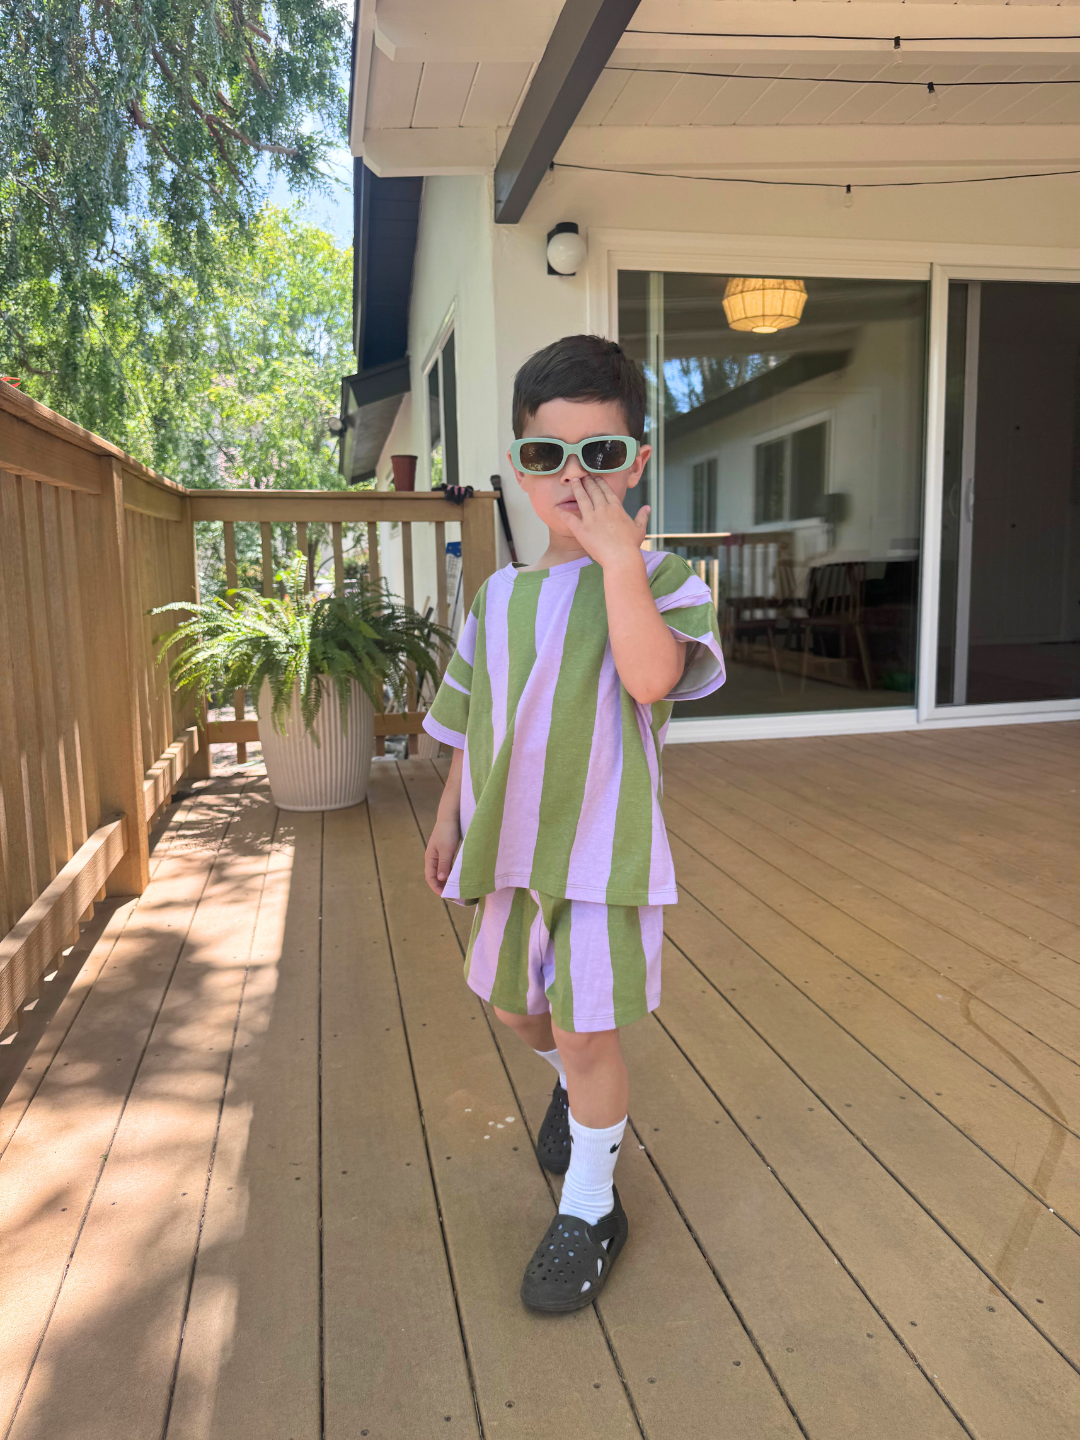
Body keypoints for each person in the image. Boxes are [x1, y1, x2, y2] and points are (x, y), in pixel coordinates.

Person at [422, 334, 725, 1313]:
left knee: (590, 1030)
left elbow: (650, 676)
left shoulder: (663, 580)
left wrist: (620, 563)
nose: (574, 479)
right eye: (548, 457)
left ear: (634, 461)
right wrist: (444, 817)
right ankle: (575, 1087)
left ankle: (592, 1203)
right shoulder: (498, 596)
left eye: (600, 456)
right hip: (509, 853)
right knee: (519, 1012)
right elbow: (471, 719)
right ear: (520, 466)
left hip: (603, 858)